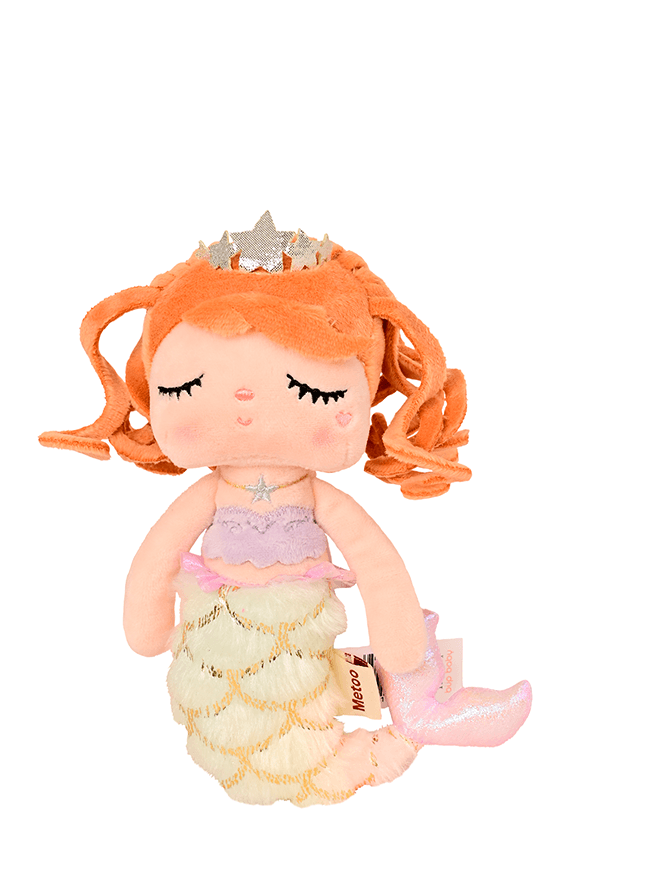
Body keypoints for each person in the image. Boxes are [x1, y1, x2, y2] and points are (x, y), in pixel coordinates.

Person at [40, 213, 531, 805]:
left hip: (297, 636)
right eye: (187, 388)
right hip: (216, 637)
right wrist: (147, 624)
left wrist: (398, 646)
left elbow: (376, 566)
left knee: (305, 692)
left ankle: (401, 720)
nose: (244, 404)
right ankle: (411, 713)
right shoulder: (212, 495)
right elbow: (159, 557)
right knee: (246, 705)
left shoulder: (315, 499)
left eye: (314, 392)